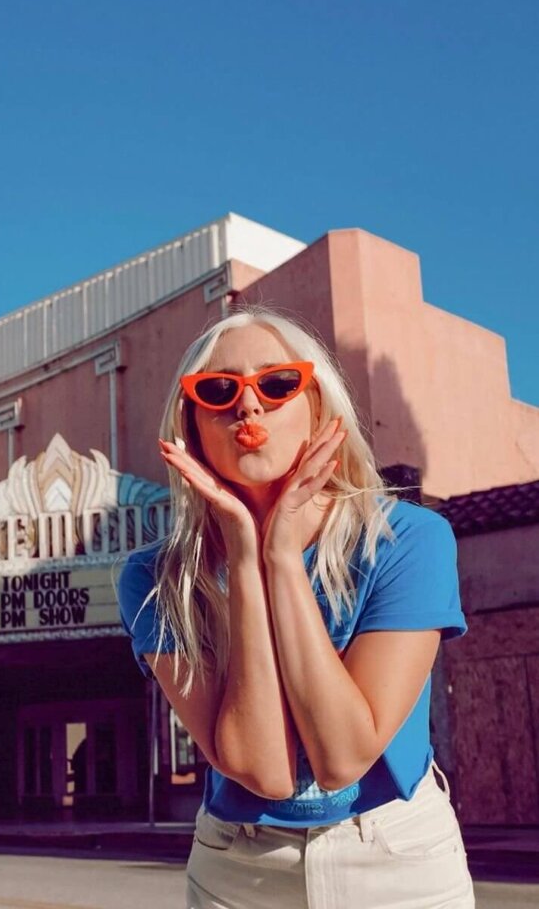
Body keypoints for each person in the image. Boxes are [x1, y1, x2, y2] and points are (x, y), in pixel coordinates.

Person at [118, 308, 474, 909]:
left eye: (277, 383)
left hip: (396, 855)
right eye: (218, 389)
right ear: (192, 422)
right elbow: (264, 772)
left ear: (317, 408)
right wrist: (243, 554)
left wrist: (281, 556)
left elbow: (342, 757)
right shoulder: (155, 579)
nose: (248, 406)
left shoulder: (408, 540)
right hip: (238, 867)